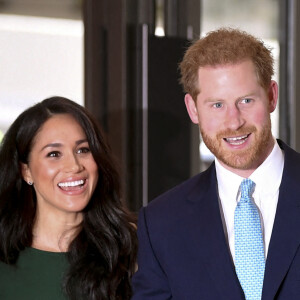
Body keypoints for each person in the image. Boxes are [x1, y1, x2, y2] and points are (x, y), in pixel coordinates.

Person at [132, 27, 300, 299]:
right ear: (193, 108)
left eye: (246, 100)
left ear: (271, 96)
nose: (234, 122)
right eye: (217, 105)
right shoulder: (161, 224)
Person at [0, 96, 137, 299]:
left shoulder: (130, 245)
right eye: (54, 154)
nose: (74, 166)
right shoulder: (4, 253)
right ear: (26, 171)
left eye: (83, 150)